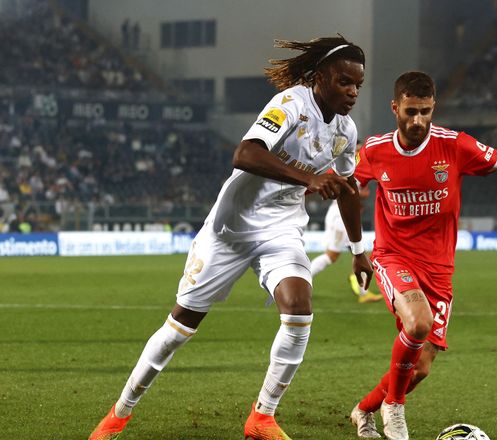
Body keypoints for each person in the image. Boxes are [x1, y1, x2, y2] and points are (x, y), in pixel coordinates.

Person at [89, 35, 372, 440]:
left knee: (299, 309)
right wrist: (308, 178)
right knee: (180, 326)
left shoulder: (346, 130)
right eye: (345, 81)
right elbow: (245, 153)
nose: (353, 92)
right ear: (321, 76)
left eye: (358, 84)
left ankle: (262, 418)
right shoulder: (291, 104)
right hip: (231, 227)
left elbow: (348, 190)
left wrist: (359, 251)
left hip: (281, 228)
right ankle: (120, 412)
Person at [348, 71, 497, 440]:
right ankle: (393, 408)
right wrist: (354, 243)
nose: (418, 121)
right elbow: (345, 184)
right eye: (410, 112)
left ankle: (364, 409)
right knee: (418, 323)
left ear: (433, 107)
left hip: (439, 268)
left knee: (420, 368)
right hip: (393, 256)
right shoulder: (375, 150)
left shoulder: (455, 146)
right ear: (395, 108)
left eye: (425, 111)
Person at [310, 156, 384, 304]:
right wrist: (360, 193)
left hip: (348, 216)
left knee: (360, 253)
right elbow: (348, 191)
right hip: (341, 216)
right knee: (332, 256)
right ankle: (302, 280)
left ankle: (363, 292)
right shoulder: (347, 167)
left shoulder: (356, 166)